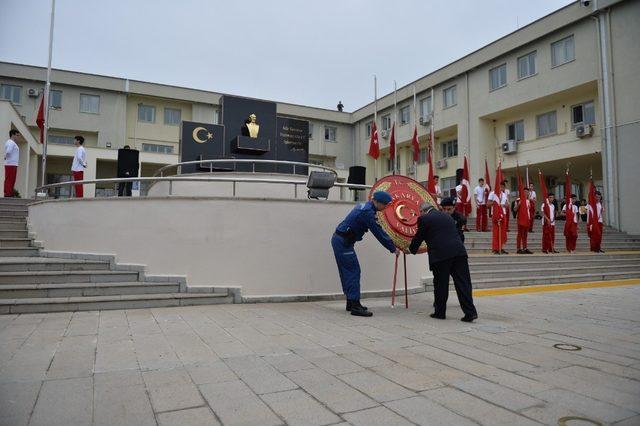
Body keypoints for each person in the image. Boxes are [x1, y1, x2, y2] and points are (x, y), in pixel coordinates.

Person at [332, 190, 400, 317]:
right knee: (353, 271)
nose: (385, 207)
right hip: (343, 242)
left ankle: (351, 302)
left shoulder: (365, 206)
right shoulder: (367, 212)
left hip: (341, 240)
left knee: (346, 272)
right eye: (385, 205)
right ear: (377, 202)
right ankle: (355, 306)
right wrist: (392, 248)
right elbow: (378, 232)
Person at [408, 202, 478, 322]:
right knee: (463, 283)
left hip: (441, 256)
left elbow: (419, 237)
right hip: (459, 252)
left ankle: (440, 312)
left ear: (423, 211)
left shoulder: (424, 218)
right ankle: (470, 312)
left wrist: (410, 250)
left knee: (441, 285)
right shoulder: (447, 216)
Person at [488, 181, 508, 254]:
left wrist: (505, 205)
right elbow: (488, 204)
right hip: (496, 214)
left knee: (502, 232)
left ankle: (501, 248)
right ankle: (495, 248)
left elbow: (506, 204)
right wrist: (495, 203)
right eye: (500, 186)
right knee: (496, 232)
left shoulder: (504, 194)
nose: (501, 188)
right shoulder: (492, 194)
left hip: (503, 214)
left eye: (503, 187)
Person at [514, 187, 533, 254]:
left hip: (527, 219)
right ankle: (518, 248)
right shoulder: (518, 200)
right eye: (524, 192)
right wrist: (519, 204)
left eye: (527, 192)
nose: (525, 193)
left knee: (525, 234)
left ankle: (525, 248)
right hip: (520, 219)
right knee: (520, 234)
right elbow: (515, 209)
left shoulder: (528, 201)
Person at [4, 130, 20, 197]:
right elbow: (8, 152)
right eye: (17, 135)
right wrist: (6, 157)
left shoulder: (12, 143)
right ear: (13, 135)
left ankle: (9, 193)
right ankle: (7, 194)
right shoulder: (11, 142)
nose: (18, 137)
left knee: (12, 180)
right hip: (10, 164)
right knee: (9, 179)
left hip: (13, 164)